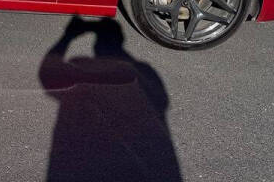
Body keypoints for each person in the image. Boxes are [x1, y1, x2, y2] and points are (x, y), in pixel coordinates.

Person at [39, 16, 182, 182]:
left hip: (88, 157)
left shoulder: (88, 67)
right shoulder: (142, 70)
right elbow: (161, 101)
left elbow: (49, 77)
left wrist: (68, 36)